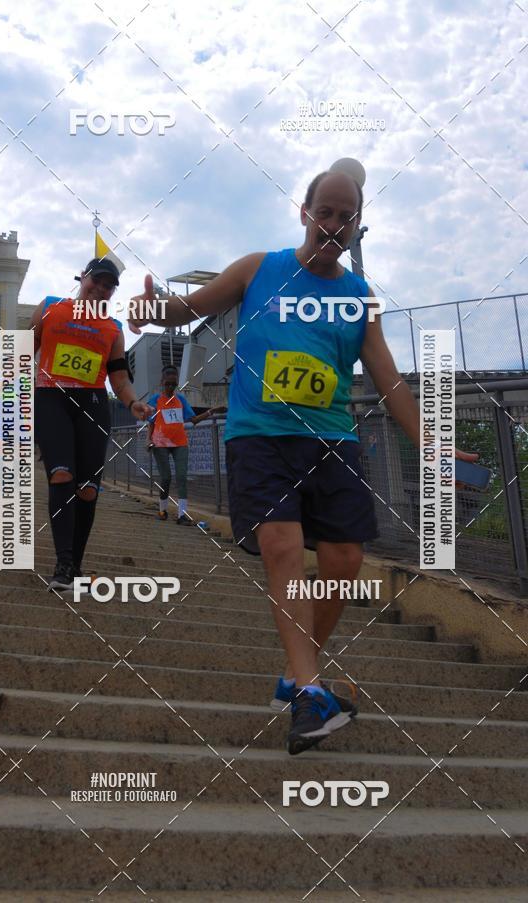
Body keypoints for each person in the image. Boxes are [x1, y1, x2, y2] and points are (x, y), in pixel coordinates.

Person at [129, 168, 478, 755]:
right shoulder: (258, 269)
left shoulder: (358, 298)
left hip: (333, 440)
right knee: (283, 547)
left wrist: (429, 439)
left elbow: (388, 378)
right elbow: (186, 308)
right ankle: (312, 690)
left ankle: (297, 677)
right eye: (326, 211)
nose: (334, 225)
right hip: (260, 435)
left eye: (347, 217)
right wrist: (154, 308)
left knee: (345, 558)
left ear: (357, 225)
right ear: (304, 211)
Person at [31, 257, 153, 591]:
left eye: (107, 286)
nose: (99, 289)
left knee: (87, 489)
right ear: (82, 278)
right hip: (51, 399)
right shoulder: (50, 307)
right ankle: (63, 562)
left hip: (93, 403)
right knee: (61, 474)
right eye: (95, 281)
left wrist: (133, 401)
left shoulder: (113, 329)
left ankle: (76, 566)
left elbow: (119, 377)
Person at [147, 364, 222, 523]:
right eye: (167, 384)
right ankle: (162, 510)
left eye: (173, 384)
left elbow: (193, 420)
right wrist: (149, 439)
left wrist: (211, 411)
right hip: (160, 443)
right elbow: (151, 422)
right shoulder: (155, 400)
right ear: (162, 382)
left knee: (181, 476)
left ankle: (182, 515)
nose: (170, 387)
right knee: (166, 477)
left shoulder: (180, 400)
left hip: (180, 442)